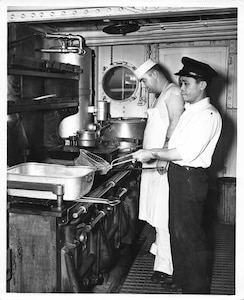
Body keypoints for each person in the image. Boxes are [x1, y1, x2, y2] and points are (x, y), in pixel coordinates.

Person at [132, 57, 222, 294]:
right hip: (180, 176)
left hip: (191, 178)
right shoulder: (191, 112)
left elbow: (185, 152)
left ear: (202, 85)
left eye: (186, 84)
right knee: (178, 233)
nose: (181, 89)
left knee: (190, 237)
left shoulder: (208, 115)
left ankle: (196, 290)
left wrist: (152, 153)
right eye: (180, 83)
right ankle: (181, 279)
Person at [133, 59, 184, 283]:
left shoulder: (173, 92)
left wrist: (164, 154)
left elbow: (176, 122)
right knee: (155, 211)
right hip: (152, 165)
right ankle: (159, 248)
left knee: (163, 215)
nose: (145, 86)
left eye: (144, 81)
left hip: (161, 164)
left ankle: (166, 268)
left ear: (154, 74)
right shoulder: (161, 94)